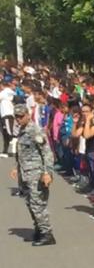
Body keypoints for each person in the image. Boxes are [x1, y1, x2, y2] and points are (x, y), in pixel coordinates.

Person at [13, 103, 57, 245]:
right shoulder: (22, 130)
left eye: (20, 116)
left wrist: (47, 172)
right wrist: (16, 167)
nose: (18, 119)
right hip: (25, 173)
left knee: (38, 204)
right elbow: (22, 152)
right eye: (16, 117)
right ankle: (39, 228)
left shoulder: (35, 131)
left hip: (36, 174)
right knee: (29, 203)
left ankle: (47, 233)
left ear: (27, 115)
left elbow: (47, 153)